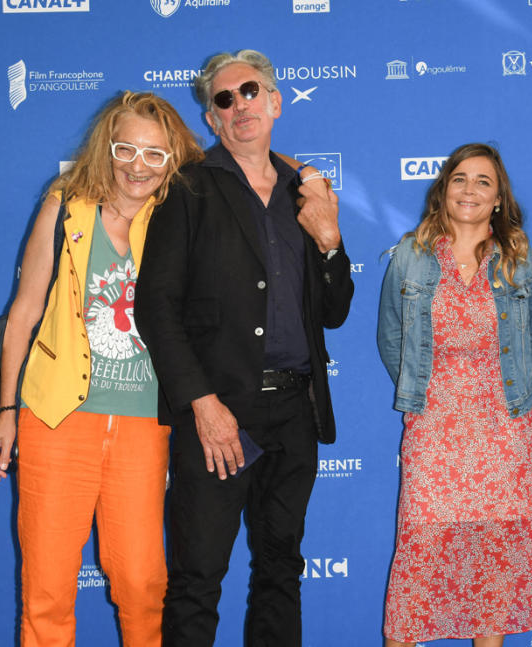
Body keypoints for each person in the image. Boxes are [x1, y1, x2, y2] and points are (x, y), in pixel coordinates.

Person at [133, 49, 354, 647]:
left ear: (276, 101)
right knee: (197, 578)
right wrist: (202, 403)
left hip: (293, 413)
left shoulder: (307, 190)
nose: (239, 106)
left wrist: (331, 241)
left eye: (249, 91)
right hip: (217, 413)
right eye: (223, 100)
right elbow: (155, 307)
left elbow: (334, 311)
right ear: (211, 119)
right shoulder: (188, 188)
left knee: (281, 570)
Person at [0, 91, 204, 646]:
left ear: (173, 160)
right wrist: (5, 414)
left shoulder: (179, 214)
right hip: (56, 422)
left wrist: (308, 174)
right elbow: (24, 313)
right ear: (107, 146)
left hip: (143, 427)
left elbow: (254, 170)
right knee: (47, 591)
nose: (137, 166)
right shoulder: (66, 206)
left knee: (143, 584)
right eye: (127, 149)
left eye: (155, 155)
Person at [377, 143, 532, 647]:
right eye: (460, 178)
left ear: (498, 198)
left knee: (491, 562)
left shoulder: (519, 260)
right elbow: (391, 336)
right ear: (443, 190)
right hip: (434, 427)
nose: (470, 189)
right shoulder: (411, 256)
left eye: (483, 181)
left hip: (502, 428)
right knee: (419, 558)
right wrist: (422, 392)